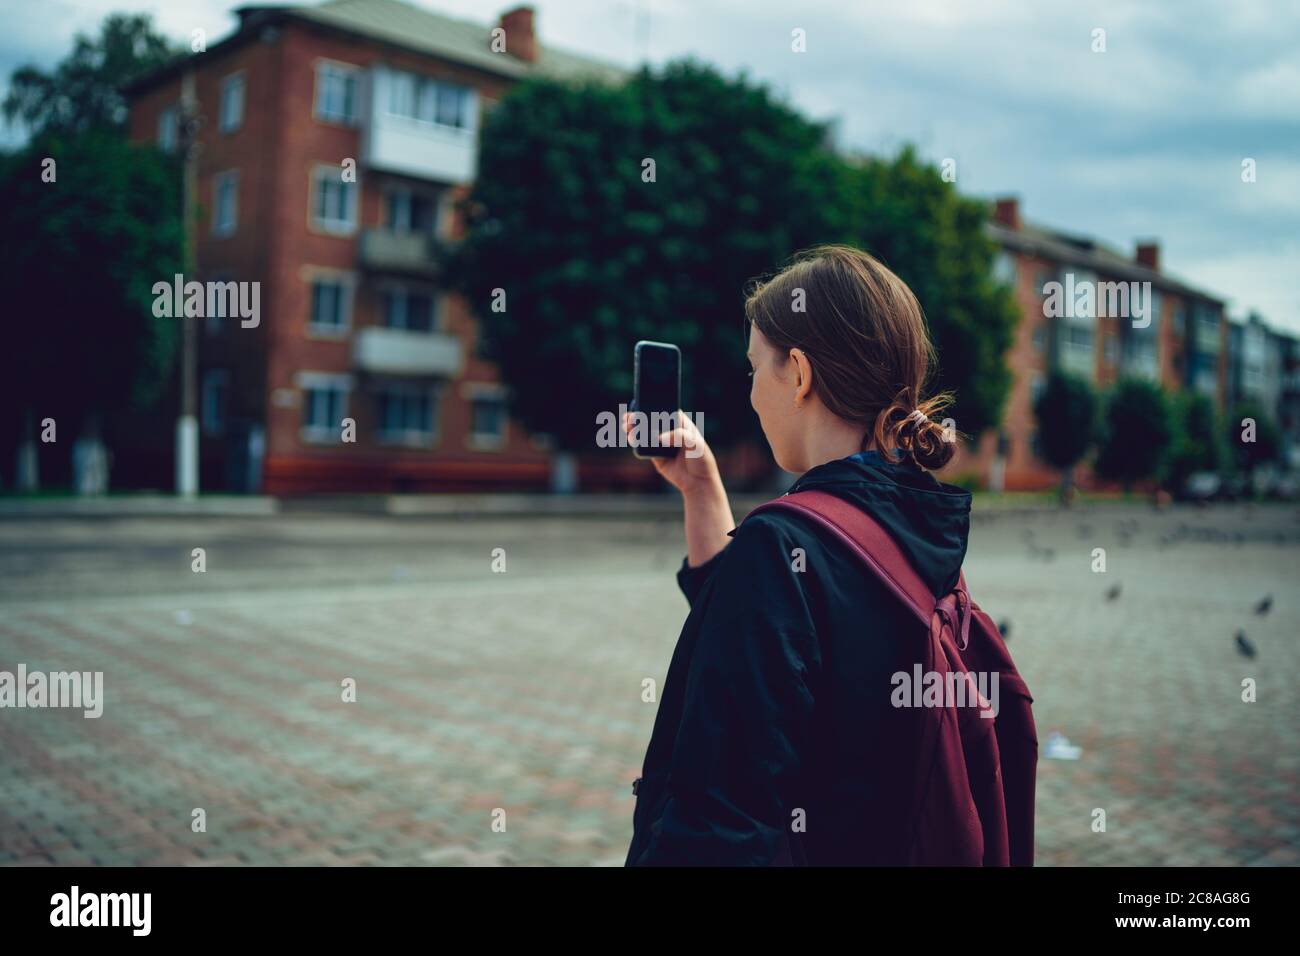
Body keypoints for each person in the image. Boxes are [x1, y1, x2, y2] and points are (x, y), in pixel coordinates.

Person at [624, 244, 974, 866]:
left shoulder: (784, 547)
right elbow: (774, 634)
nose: (752, 393)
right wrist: (703, 488)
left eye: (756, 368)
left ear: (801, 375)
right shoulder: (914, 527)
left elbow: (720, 824)